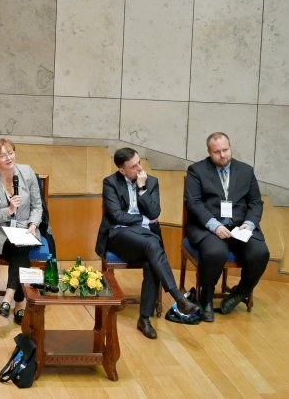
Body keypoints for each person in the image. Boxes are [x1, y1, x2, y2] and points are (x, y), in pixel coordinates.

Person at [95, 147, 199, 339]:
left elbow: (154, 213)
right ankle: (177, 297)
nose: (139, 169)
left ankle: (144, 318)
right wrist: (143, 220)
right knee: (153, 244)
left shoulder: (151, 182)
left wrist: (142, 189)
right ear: (122, 170)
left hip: (144, 237)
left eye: (139, 163)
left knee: (152, 260)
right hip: (119, 235)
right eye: (133, 167)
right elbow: (117, 216)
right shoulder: (110, 183)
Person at [185, 132, 270, 322]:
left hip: (240, 227)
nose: (223, 155)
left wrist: (249, 224)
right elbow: (194, 203)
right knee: (215, 252)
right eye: (217, 152)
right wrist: (214, 226)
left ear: (230, 147)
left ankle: (240, 293)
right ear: (209, 152)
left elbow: (255, 202)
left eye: (226, 150)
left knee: (260, 253)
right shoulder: (196, 170)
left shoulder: (246, 170)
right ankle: (206, 298)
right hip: (209, 227)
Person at [0, 138, 44, 325]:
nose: (8, 158)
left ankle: (8, 297)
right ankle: (19, 303)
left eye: (11, 153)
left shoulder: (27, 172)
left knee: (20, 245)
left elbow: (37, 206)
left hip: (26, 229)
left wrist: (33, 225)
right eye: (3, 156)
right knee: (19, 248)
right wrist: (7, 210)